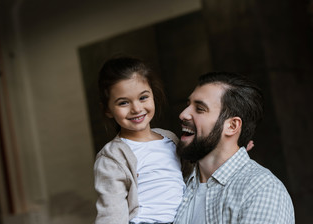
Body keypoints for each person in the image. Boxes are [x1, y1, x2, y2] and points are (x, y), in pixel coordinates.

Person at [174, 72, 295, 224]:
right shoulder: (177, 182)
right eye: (188, 105)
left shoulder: (261, 189)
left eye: (199, 109)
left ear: (232, 126)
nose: (183, 114)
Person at [93, 56, 186, 224]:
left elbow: (196, 174)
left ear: (153, 95)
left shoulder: (170, 139)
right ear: (107, 109)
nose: (136, 109)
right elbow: (111, 212)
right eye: (123, 103)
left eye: (143, 97)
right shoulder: (112, 157)